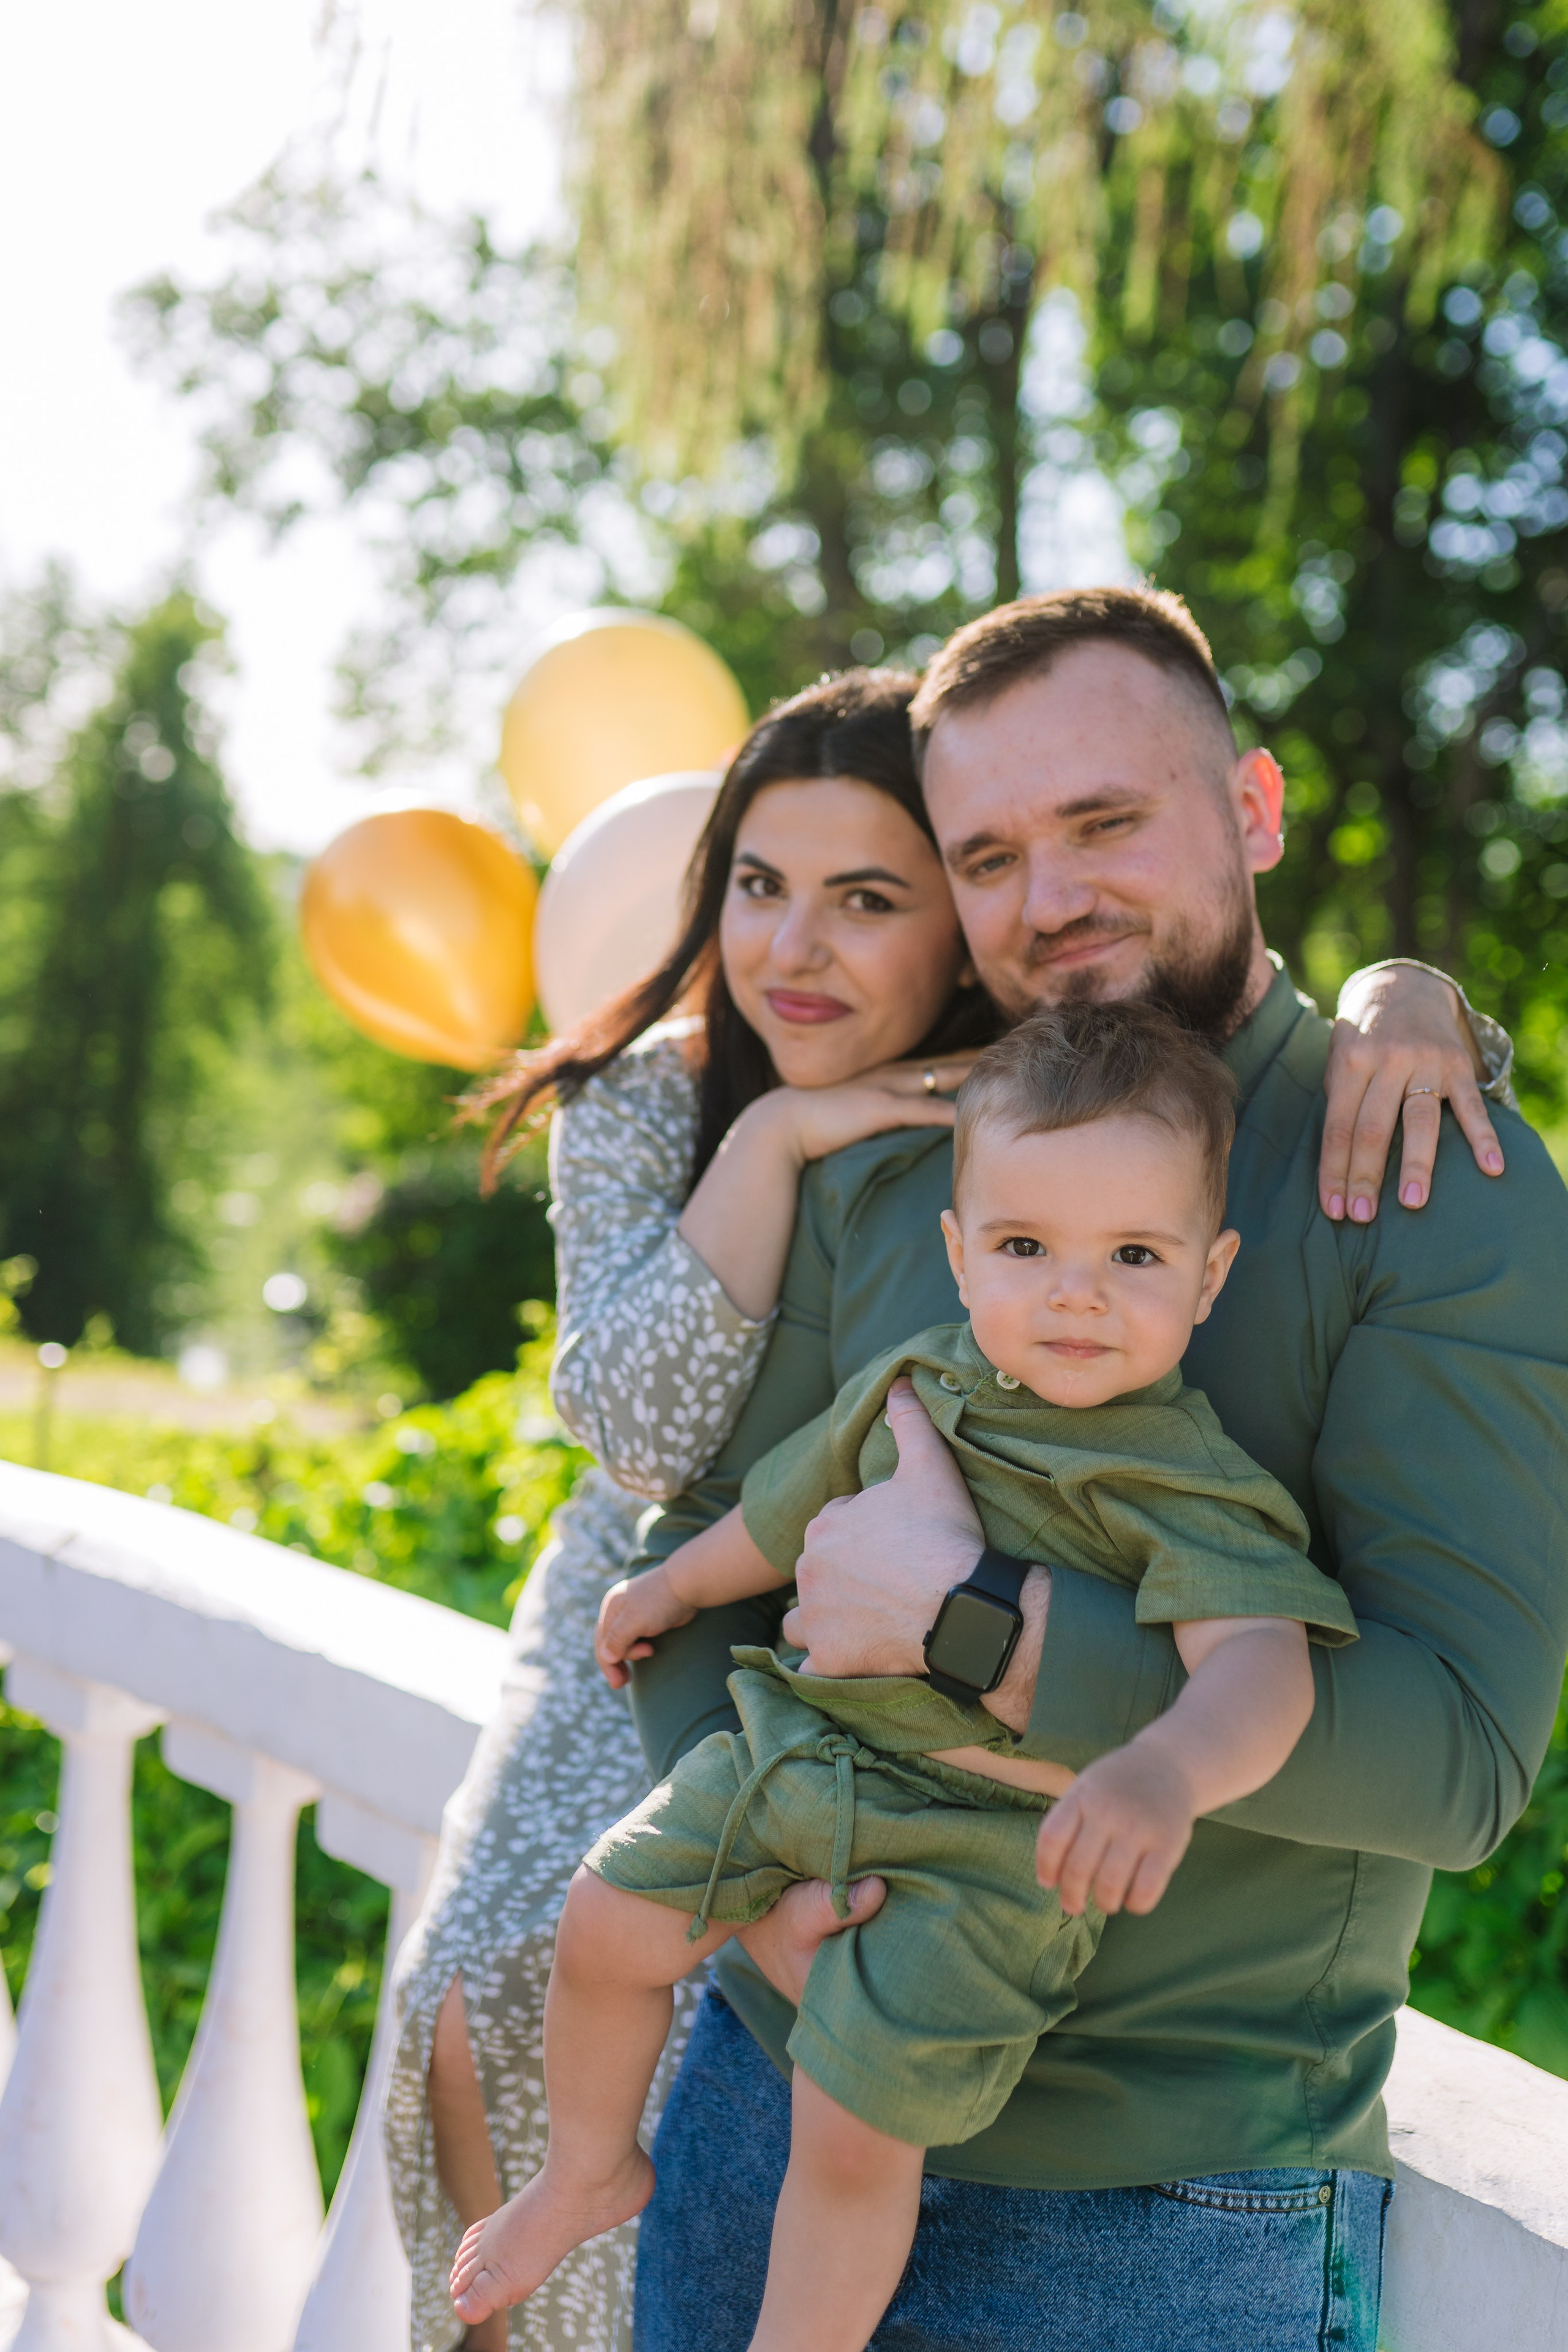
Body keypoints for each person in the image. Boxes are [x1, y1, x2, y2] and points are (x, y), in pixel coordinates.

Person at [385, 649, 1498, 2352]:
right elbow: (708, 1516)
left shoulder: (1374, 1183)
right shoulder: (896, 1162)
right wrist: (758, 1896)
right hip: (757, 1976)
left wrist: (987, 1630)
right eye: (992, 858)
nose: (1049, 897)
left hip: (1143, 2177)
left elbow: (1448, 1751)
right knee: (507, 1997)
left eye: (1106, 821)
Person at [447, 1000, 1363, 2351]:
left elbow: (1262, 1669)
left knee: (848, 2129)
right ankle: (588, 2167)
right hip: (797, 1750)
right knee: (606, 1921)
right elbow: (778, 1510)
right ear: (957, 1251)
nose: (1073, 1292)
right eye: (1022, 1247)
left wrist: (1162, 1769)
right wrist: (668, 1587)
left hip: (981, 1855)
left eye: (1131, 1254)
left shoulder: (1186, 1480)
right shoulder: (916, 1381)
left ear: (1207, 1274)